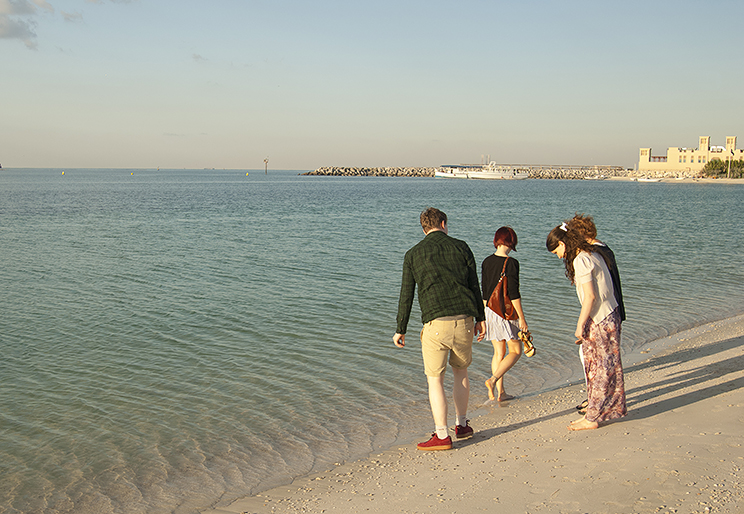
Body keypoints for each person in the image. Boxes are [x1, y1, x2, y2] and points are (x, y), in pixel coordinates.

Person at [394, 207, 486, 450]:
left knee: (435, 380)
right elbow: (473, 284)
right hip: (465, 319)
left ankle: (442, 435)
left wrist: (400, 328)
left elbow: (407, 294)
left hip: (436, 325)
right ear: (443, 223)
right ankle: (463, 425)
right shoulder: (461, 247)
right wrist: (481, 317)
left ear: (423, 228)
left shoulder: (413, 254)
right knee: (461, 373)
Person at [546, 222, 627, 431]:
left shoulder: (581, 259)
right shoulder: (593, 252)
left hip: (600, 318)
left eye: (557, 250)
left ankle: (592, 418)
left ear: (564, 243)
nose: (558, 256)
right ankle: (598, 411)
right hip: (609, 314)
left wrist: (580, 325)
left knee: (599, 368)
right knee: (602, 365)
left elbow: (590, 297)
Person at [566, 214, 627, 414]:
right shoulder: (601, 251)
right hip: (612, 309)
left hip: (603, 313)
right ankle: (601, 402)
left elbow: (593, 294)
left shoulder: (589, 255)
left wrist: (581, 323)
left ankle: (595, 403)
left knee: (597, 363)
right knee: (605, 362)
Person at [481, 226, 529, 401]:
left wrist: (483, 318)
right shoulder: (511, 263)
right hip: (506, 313)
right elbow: (513, 293)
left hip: (490, 311)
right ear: (511, 241)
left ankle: (500, 393)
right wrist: (522, 318)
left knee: (498, 353)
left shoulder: (486, 261)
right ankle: (493, 380)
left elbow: (485, 291)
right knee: (516, 351)